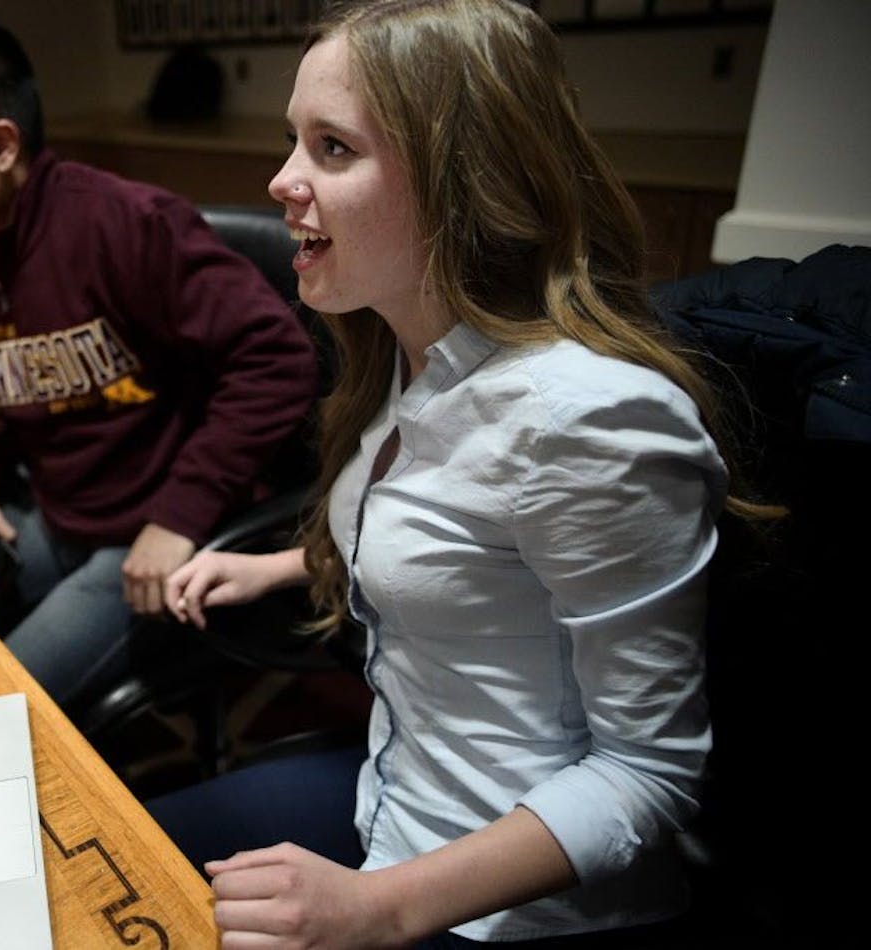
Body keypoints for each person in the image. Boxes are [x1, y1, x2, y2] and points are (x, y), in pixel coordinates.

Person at [151, 0, 771, 945]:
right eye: (292, 142)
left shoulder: (589, 421)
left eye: (333, 149)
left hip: (518, 912)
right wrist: (282, 568)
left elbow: (649, 772)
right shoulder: (404, 352)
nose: (283, 181)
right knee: (125, 854)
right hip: (388, 800)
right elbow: (456, 554)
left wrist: (376, 908)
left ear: (460, 180)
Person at [0, 16, 319, 706]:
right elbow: (2, 394)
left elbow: (277, 359)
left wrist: (178, 518)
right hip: (56, 514)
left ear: (0, 144)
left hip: (150, 531)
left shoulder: (126, 224)